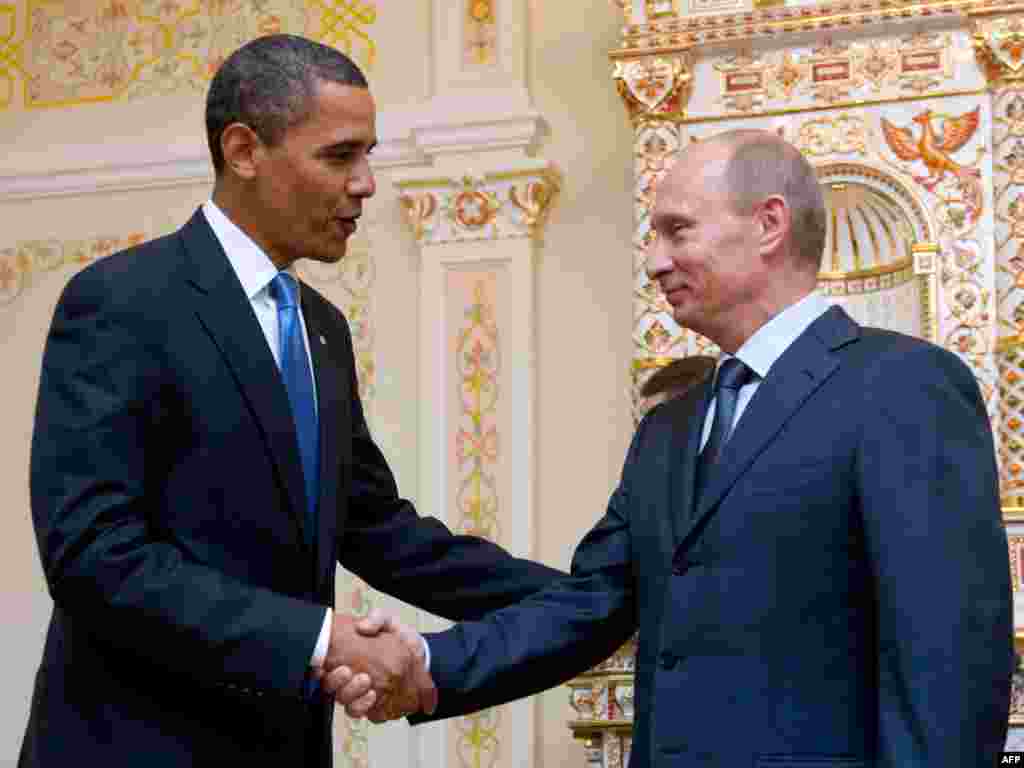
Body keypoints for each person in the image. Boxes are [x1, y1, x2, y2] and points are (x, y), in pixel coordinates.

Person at [332, 129, 1014, 766]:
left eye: (676, 230)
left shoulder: (902, 385)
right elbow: (593, 601)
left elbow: (948, 660)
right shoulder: (670, 428)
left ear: (769, 225)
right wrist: (427, 663)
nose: (656, 260)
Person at [19, 34, 563, 768]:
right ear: (243, 151)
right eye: (341, 156)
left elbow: (378, 529)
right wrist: (317, 638)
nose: (367, 183)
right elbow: (93, 555)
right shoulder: (120, 302)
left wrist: (586, 603)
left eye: (368, 155)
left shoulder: (321, 329)